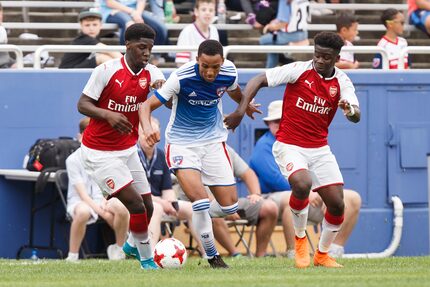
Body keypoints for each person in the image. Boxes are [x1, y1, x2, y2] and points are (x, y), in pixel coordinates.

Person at [242, 31, 361, 268]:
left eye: (326, 57)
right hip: (289, 144)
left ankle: (322, 254)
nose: (319, 60)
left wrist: (349, 110)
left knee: (338, 204)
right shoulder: (298, 69)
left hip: (319, 148)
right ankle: (299, 245)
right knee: (302, 183)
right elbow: (258, 80)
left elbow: (356, 116)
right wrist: (240, 108)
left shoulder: (343, 82)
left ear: (337, 58)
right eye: (317, 55)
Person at [140, 39, 260, 268]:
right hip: (181, 144)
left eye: (215, 66)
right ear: (197, 60)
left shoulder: (229, 72)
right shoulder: (181, 77)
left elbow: (234, 92)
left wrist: (244, 108)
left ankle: (200, 214)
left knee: (230, 207)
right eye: (205, 65)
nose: (210, 71)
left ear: (222, 62)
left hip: (213, 143)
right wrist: (147, 129)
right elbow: (146, 106)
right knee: (201, 202)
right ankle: (212, 256)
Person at [77, 23, 165, 270]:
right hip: (99, 152)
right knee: (135, 205)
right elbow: (82, 104)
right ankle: (147, 260)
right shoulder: (106, 70)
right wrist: (108, 115)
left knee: (148, 206)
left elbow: (160, 90)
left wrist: (161, 91)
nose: (146, 53)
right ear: (127, 45)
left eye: (149, 48)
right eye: (141, 47)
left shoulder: (152, 73)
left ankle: (130, 244)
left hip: (127, 150)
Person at [250, 101, 361, 259]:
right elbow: (278, 181)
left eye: (284, 120)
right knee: (293, 198)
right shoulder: (263, 146)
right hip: (272, 199)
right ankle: (294, 253)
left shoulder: (300, 140)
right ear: (268, 123)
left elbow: (317, 171)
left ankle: (333, 251)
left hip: (309, 195)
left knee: (352, 198)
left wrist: (322, 192)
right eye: (276, 121)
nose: (281, 124)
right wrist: (311, 192)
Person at [137, 117, 205, 255]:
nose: (149, 137)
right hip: (138, 202)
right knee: (155, 208)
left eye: (153, 134)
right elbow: (136, 192)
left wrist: (172, 204)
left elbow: (167, 189)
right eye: (145, 134)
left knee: (193, 209)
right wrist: (163, 203)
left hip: (160, 201)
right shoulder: (132, 155)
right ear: (138, 134)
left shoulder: (161, 155)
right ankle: (149, 256)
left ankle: (208, 254)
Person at [65, 117, 129, 262]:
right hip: (80, 201)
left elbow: (111, 184)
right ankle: (72, 255)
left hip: (104, 199)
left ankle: (119, 249)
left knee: (121, 208)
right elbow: (83, 196)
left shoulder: (106, 156)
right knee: (83, 212)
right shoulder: (72, 160)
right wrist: (105, 214)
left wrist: (107, 200)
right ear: (80, 137)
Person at [259, 0, 309, 68]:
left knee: (263, 40)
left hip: (291, 35)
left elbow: (284, 22)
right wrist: (273, 23)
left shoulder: (284, 1)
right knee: (272, 47)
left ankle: (283, 60)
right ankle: (271, 69)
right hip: (304, 34)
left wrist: (270, 27)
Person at [98, 0, 168, 47]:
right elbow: (110, 2)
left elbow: (141, 1)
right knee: (129, 25)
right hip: (112, 10)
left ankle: (156, 57)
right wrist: (132, 12)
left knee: (160, 27)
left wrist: (138, 14)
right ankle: (125, 58)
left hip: (136, 10)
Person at [175, 0, 219, 67]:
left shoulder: (214, 30)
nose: (207, 13)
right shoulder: (187, 32)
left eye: (211, 10)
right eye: (203, 10)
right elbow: (181, 63)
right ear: (196, 11)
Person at [0, 2, 16, 69]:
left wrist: (13, 63)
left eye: (1, 12)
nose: (0, 16)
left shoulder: (2, 30)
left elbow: (4, 56)